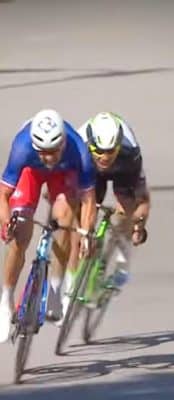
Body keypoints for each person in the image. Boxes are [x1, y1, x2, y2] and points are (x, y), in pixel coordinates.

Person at [0, 109, 97, 342]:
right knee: (20, 235)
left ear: (63, 143)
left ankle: (54, 289)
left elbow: (88, 200)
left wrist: (86, 233)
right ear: (35, 147)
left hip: (63, 175)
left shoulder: (79, 150)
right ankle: (6, 300)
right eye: (43, 152)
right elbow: (3, 194)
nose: (49, 158)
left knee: (64, 221)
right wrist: (6, 221)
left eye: (53, 151)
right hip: (30, 173)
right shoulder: (22, 147)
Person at [77, 112, 150, 289]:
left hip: (122, 168)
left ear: (117, 146)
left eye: (110, 151)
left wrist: (137, 226)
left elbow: (141, 197)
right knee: (82, 210)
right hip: (90, 169)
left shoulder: (130, 151)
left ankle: (121, 258)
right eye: (99, 151)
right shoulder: (79, 146)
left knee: (127, 210)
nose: (105, 157)